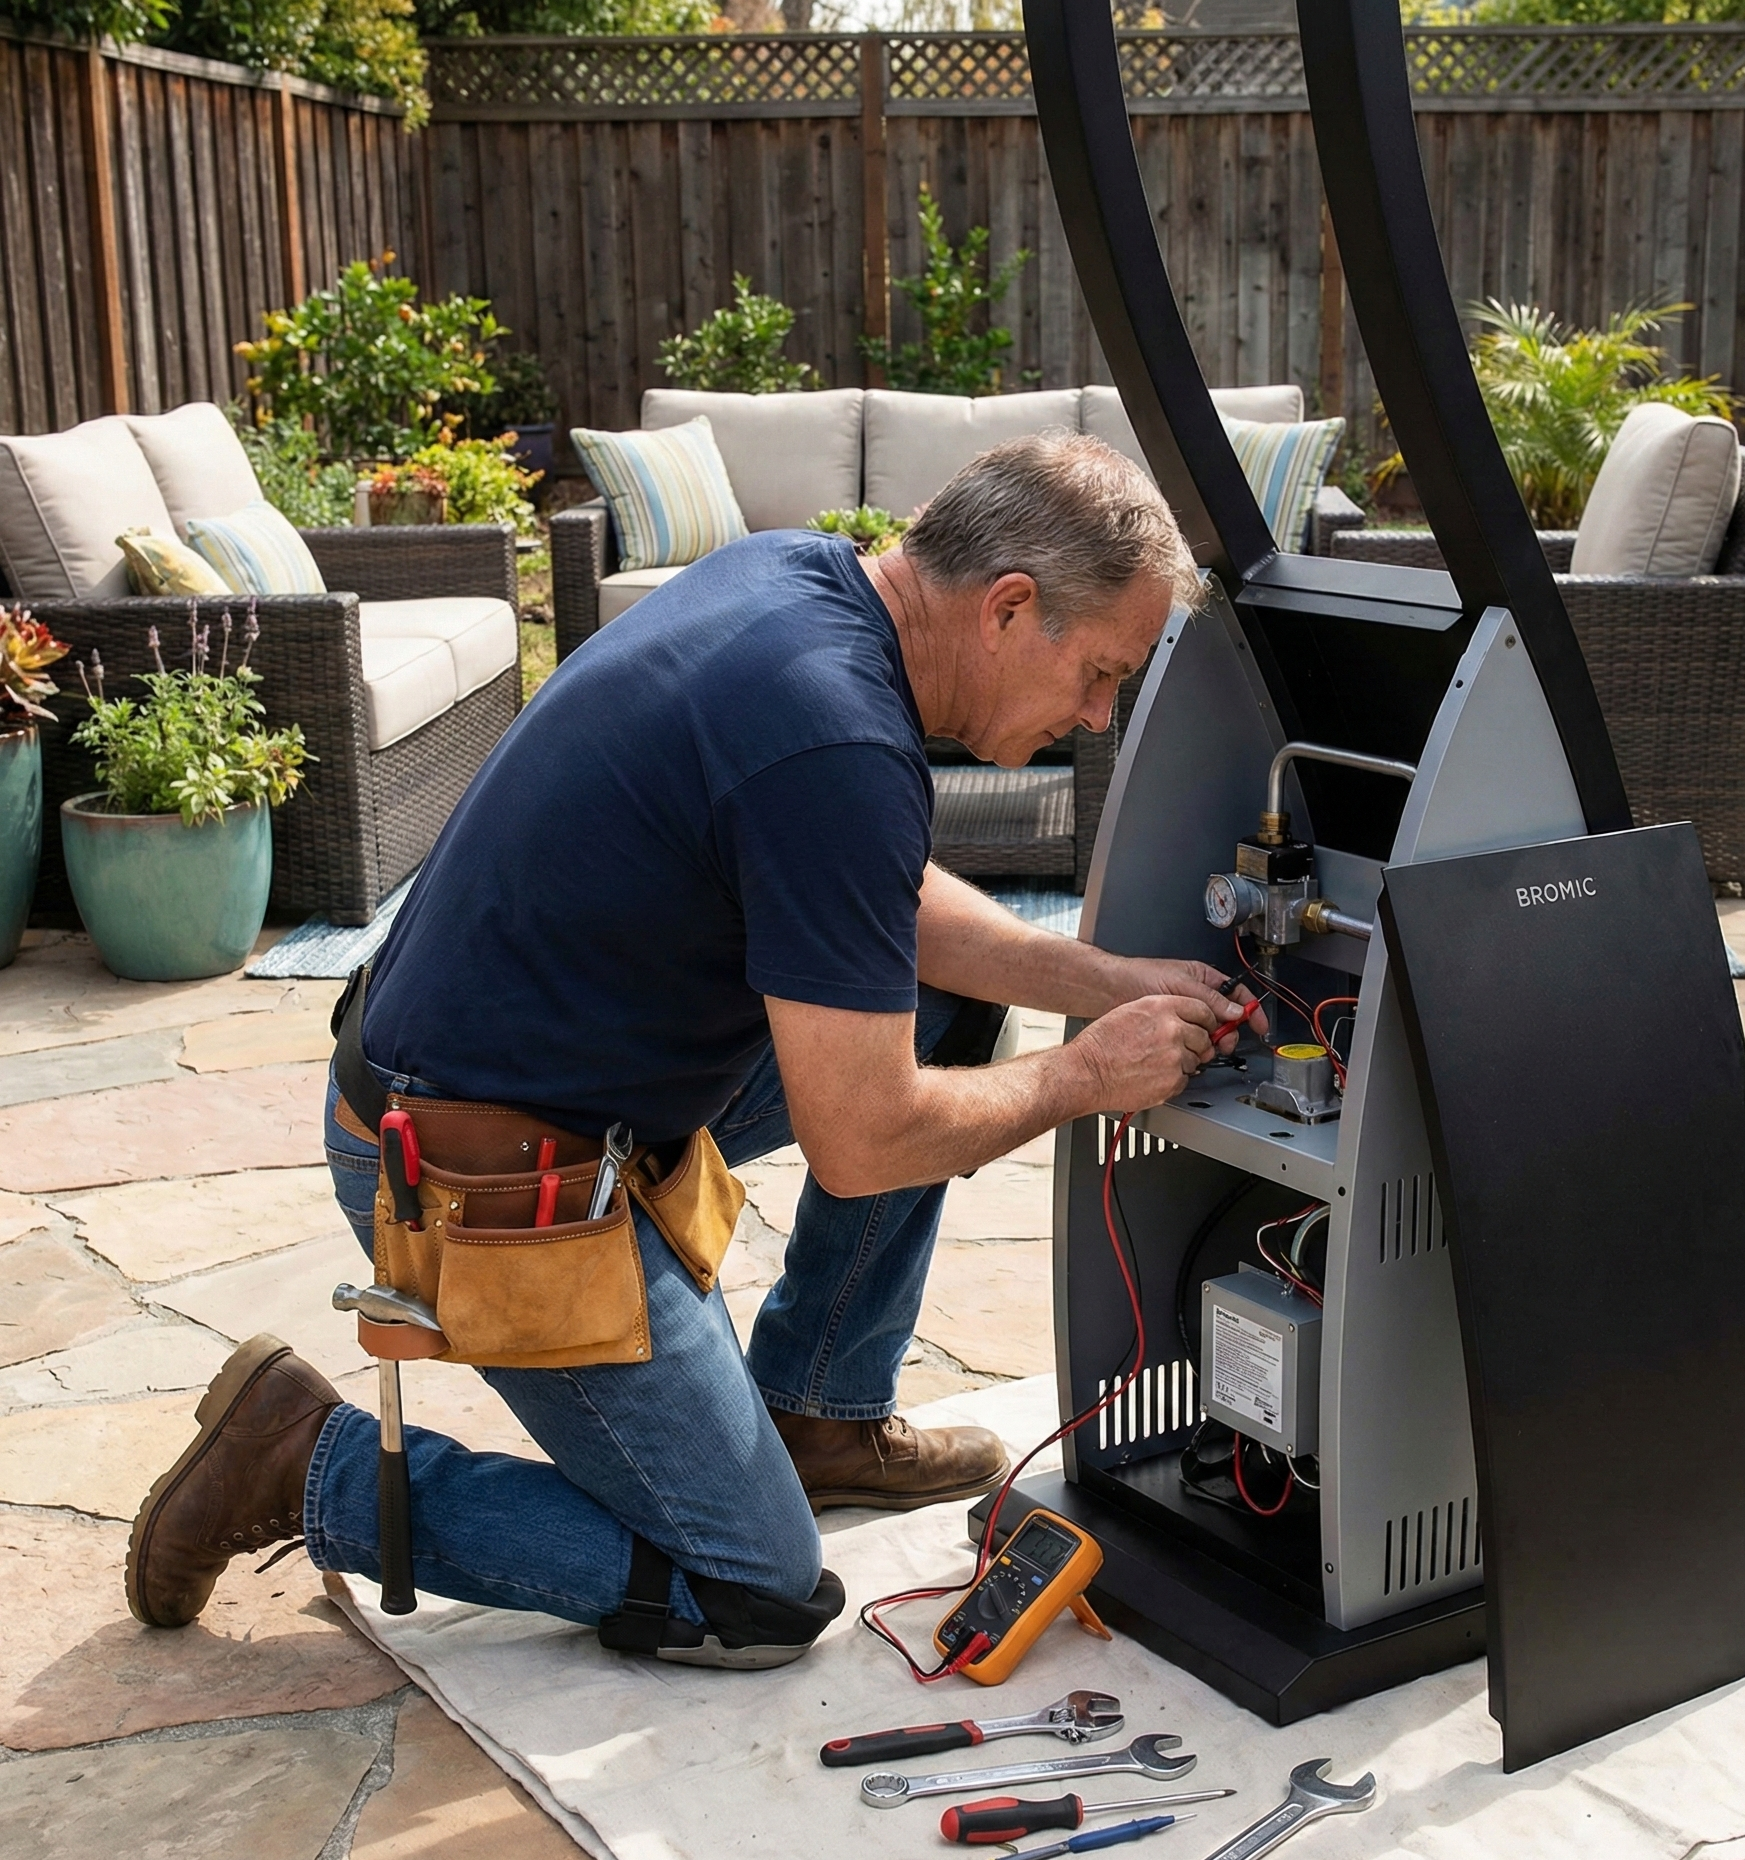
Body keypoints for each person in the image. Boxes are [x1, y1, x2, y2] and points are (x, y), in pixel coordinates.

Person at [124, 432, 1267, 1667]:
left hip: (516, 1080)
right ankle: (304, 1462)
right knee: (757, 1598)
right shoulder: (837, 738)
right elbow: (866, 1137)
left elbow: (867, 894)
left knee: (940, 1016)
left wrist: (1103, 980)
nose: (1094, 716)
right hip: (475, 1172)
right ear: (1007, 608)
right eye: (1099, 675)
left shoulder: (800, 582)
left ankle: (815, 1411)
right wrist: (1087, 1073)